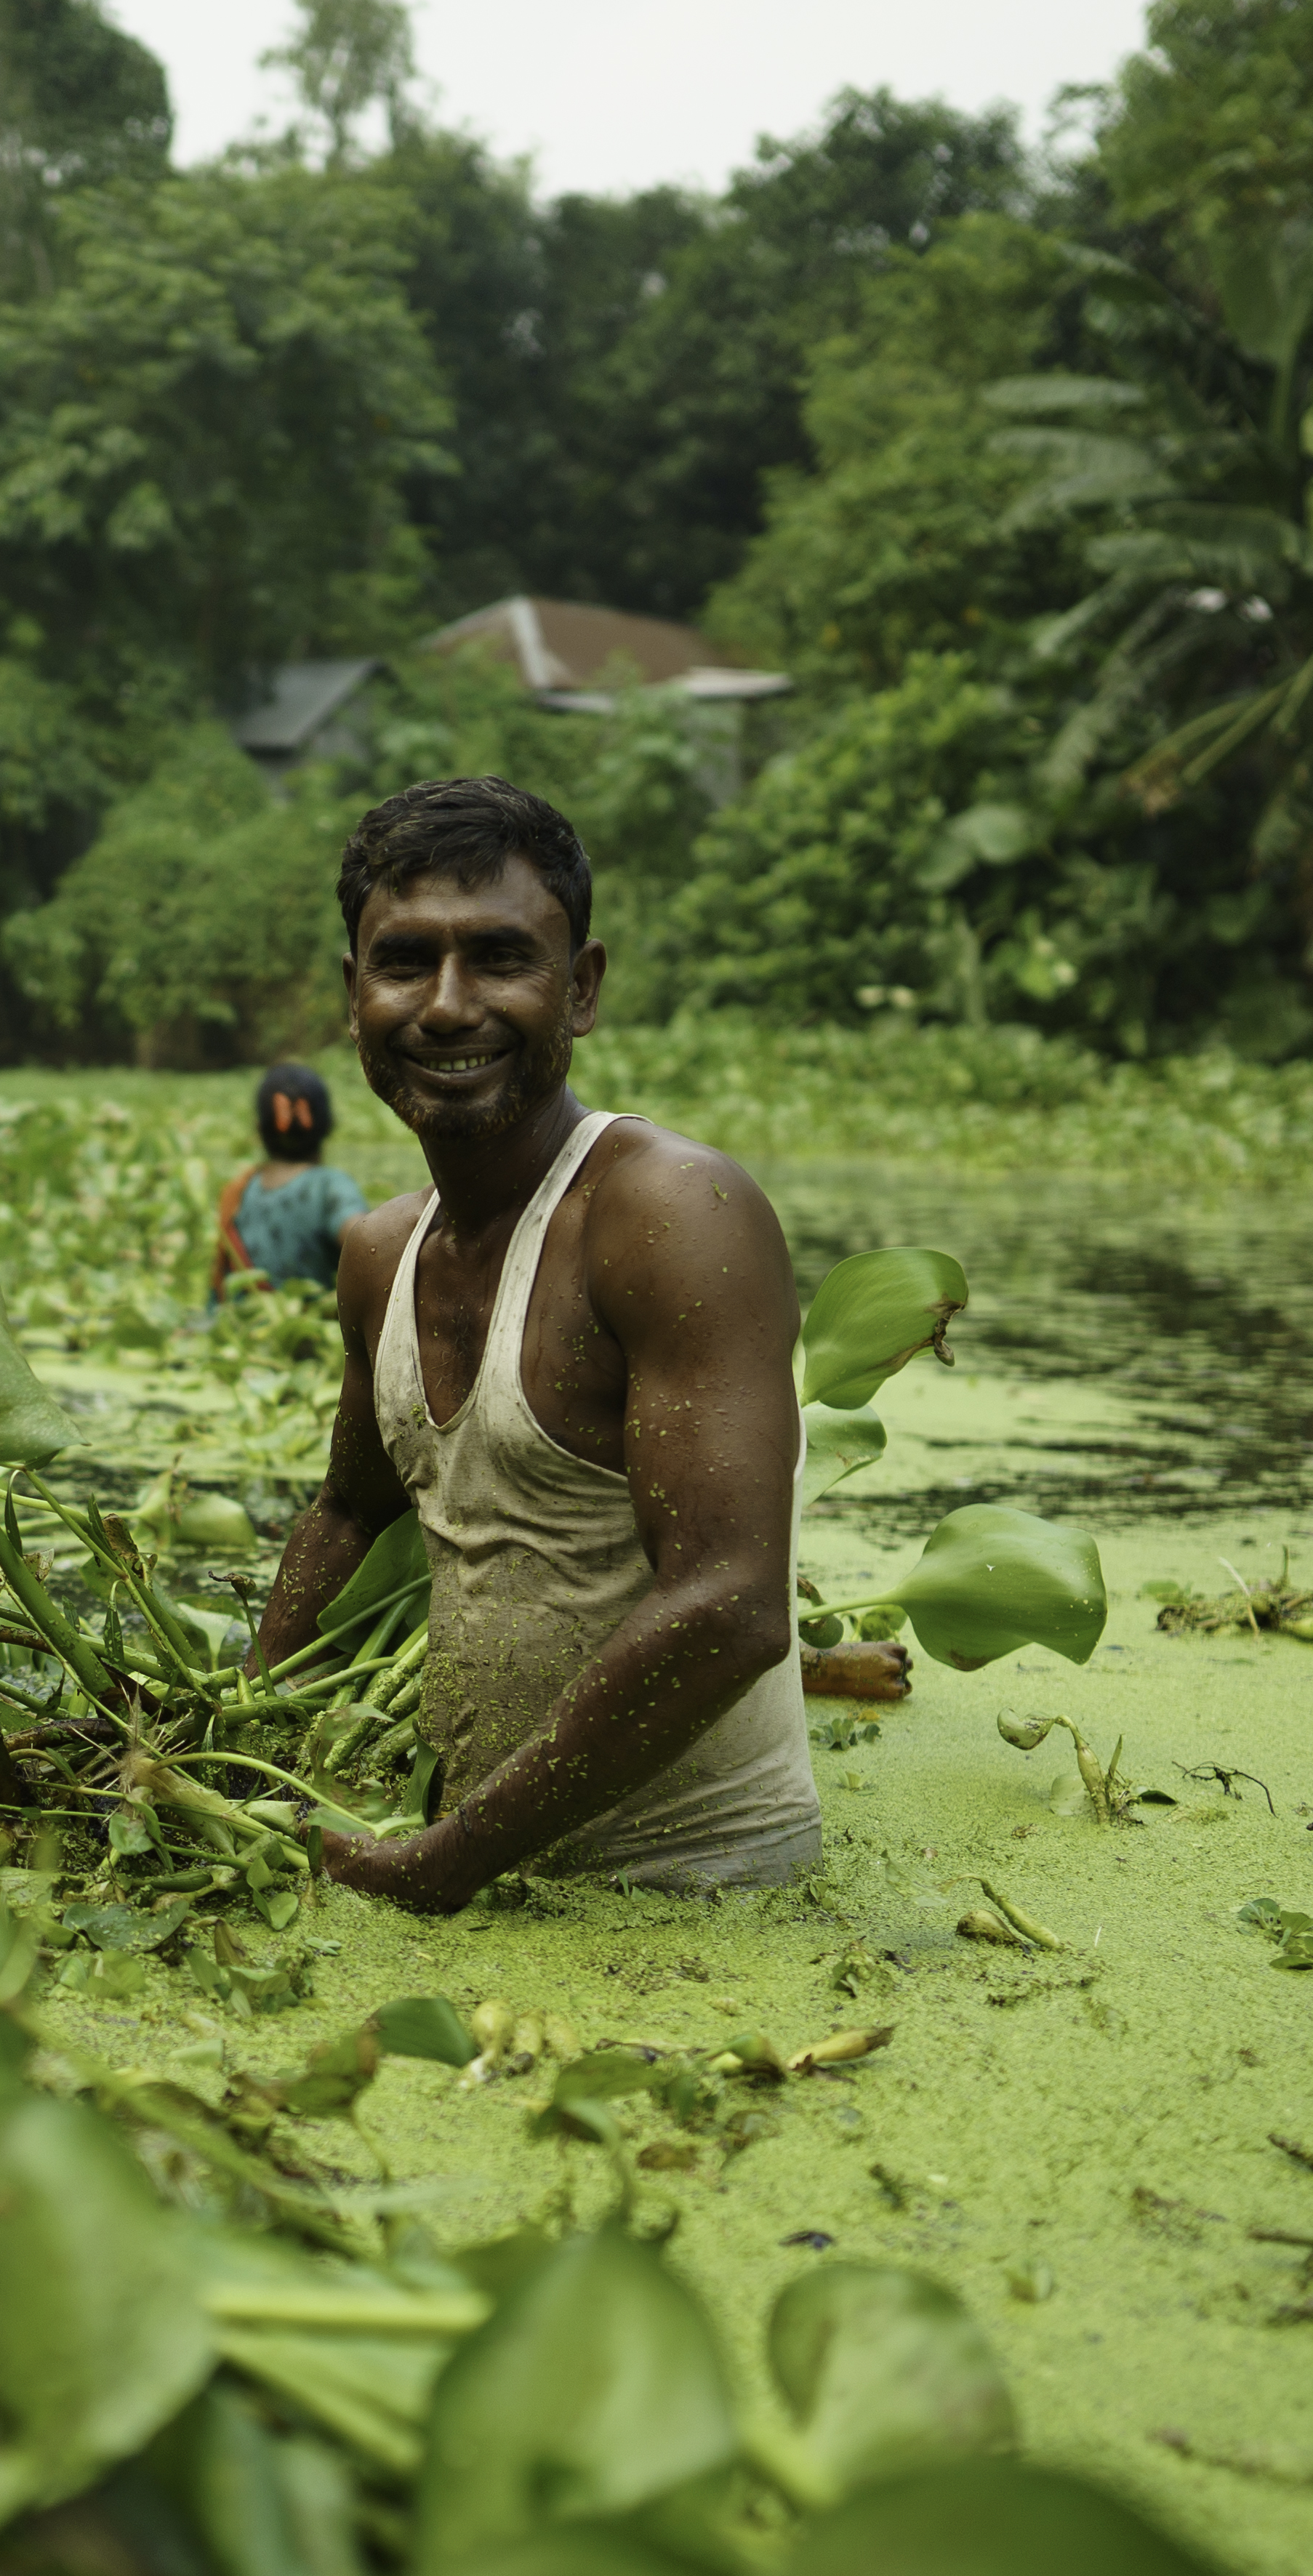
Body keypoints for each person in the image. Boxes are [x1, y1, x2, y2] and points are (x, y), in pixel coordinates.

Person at [246, 775, 822, 1908]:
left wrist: (442, 1863)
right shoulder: (377, 1252)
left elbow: (730, 1606)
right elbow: (351, 1514)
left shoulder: (669, 1215)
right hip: (483, 1879)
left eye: (501, 958)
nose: (448, 1007)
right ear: (352, 991)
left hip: (701, 1897)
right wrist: (244, 1722)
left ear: (583, 989)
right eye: (405, 962)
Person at [206, 1062, 368, 1304]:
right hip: (310, 1333)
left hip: (246, 1333)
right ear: (328, 1126)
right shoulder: (330, 1186)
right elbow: (367, 1249)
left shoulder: (239, 1191)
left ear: (259, 1129)